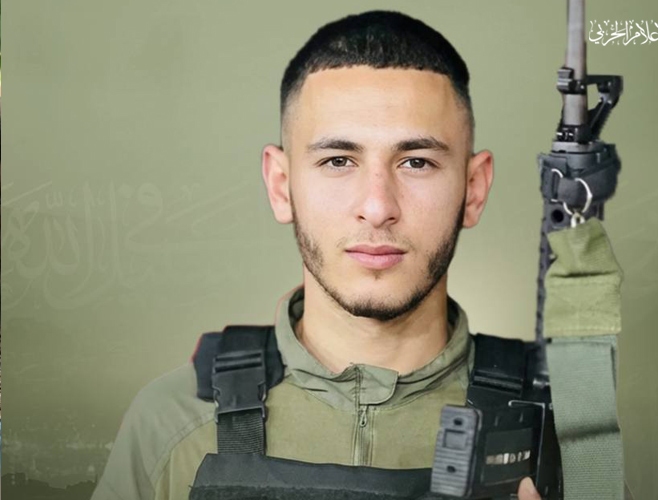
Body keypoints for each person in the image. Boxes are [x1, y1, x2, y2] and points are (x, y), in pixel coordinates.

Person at [92, 10, 629, 500]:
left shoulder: (560, 435)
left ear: (473, 189)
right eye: (338, 161)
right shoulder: (173, 423)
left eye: (416, 162)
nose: (377, 208)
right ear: (280, 186)